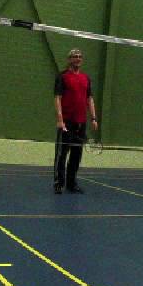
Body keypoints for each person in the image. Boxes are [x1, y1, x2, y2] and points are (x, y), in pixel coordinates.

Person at [53, 48, 98, 194]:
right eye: (75, 56)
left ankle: (71, 183)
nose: (78, 58)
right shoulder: (62, 77)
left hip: (81, 123)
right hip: (66, 122)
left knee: (76, 155)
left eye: (80, 56)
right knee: (62, 154)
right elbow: (58, 98)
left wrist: (93, 118)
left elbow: (89, 99)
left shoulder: (86, 78)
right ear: (69, 59)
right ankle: (59, 183)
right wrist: (60, 119)